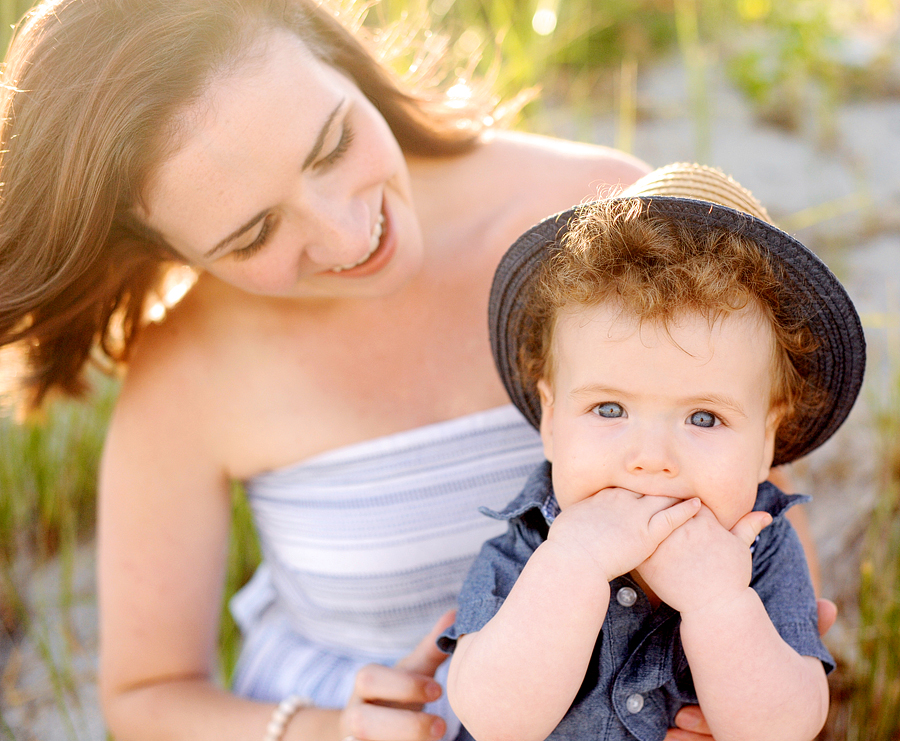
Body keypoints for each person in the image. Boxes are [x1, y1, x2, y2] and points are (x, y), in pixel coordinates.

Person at [0, 0, 829, 738]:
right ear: (165, 247)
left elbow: (757, 487)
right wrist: (326, 729)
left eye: (331, 145)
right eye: (251, 236)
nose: (345, 231)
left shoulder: (603, 231)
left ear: (334, 51)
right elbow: (146, 696)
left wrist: (734, 693)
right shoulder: (186, 366)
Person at [438, 163, 866, 741]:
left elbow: (786, 727)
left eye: (704, 417)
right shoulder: (532, 540)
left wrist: (719, 601)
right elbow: (493, 718)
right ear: (551, 420)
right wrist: (573, 565)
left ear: (767, 442)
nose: (652, 458)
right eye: (610, 409)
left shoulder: (760, 550)